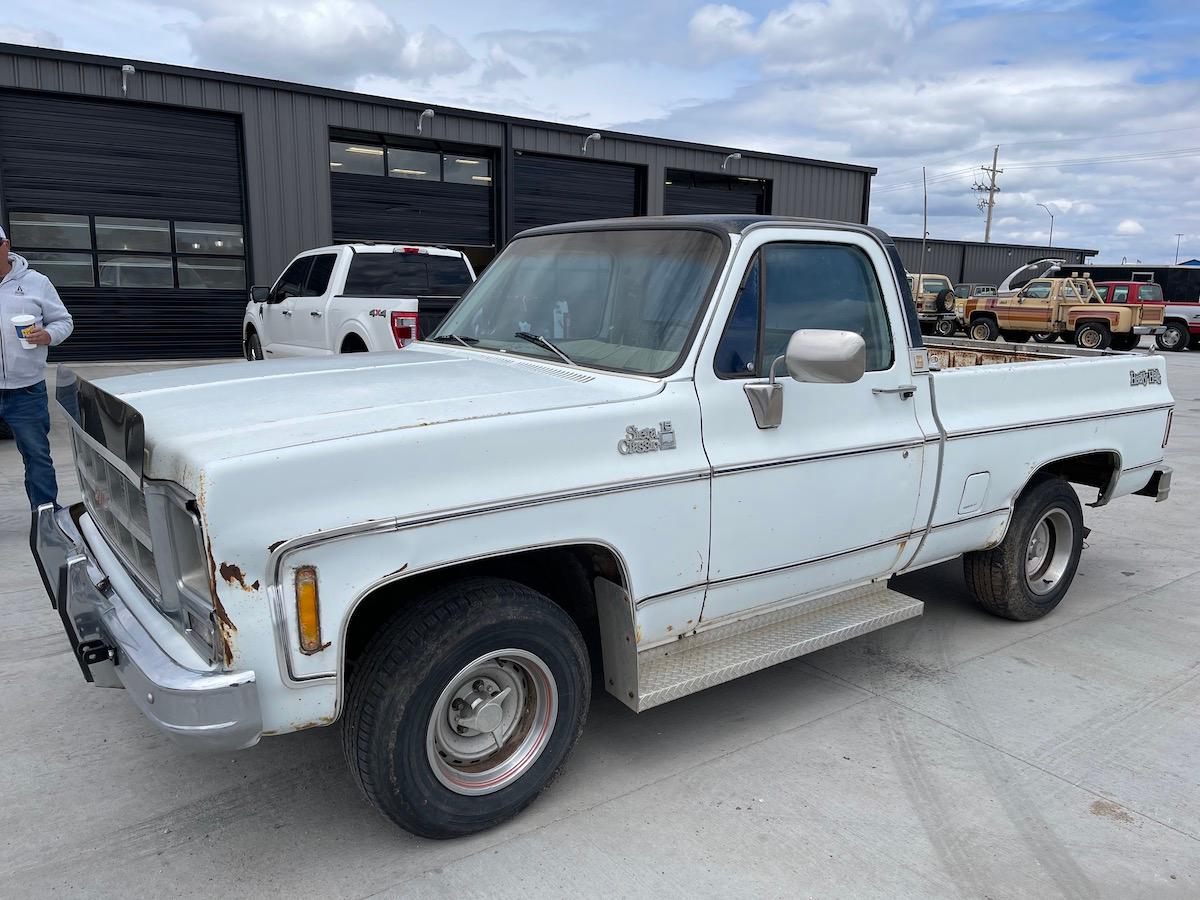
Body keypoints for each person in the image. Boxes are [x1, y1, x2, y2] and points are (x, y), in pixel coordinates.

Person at [0, 224, 74, 509]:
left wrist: (48, 335)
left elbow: (64, 321)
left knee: (36, 456)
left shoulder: (36, 282)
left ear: (6, 245)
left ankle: (46, 515)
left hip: (26, 389)